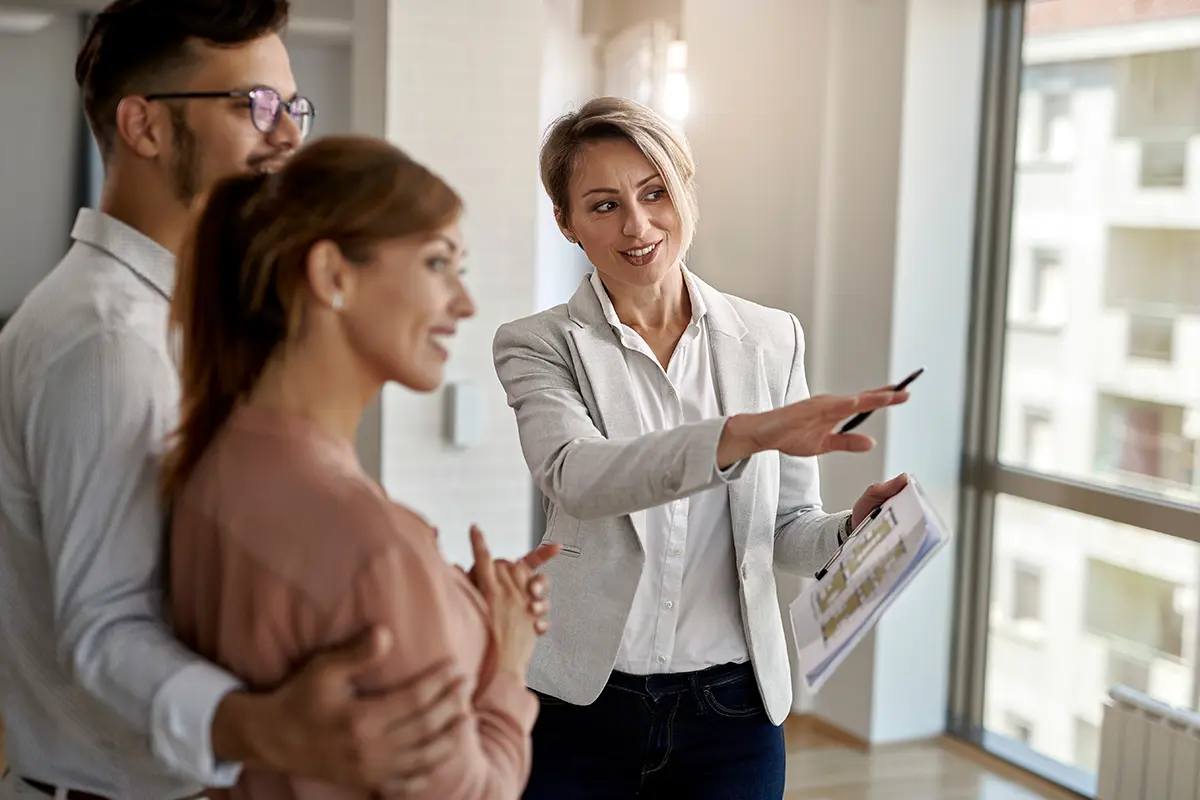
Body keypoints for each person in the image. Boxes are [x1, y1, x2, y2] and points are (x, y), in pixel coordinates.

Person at [0, 2, 504, 798]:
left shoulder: (198, 319)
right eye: (255, 105)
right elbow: (104, 628)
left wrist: (425, 596)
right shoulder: (109, 340)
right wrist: (264, 727)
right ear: (145, 126)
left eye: (293, 107)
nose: (288, 135)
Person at [492, 95, 913, 800]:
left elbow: (783, 533)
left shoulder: (773, 338)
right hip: (583, 704)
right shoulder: (539, 344)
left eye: (656, 191)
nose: (638, 224)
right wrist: (745, 433)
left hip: (732, 713)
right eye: (603, 205)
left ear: (686, 189)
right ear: (566, 223)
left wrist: (850, 534)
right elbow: (579, 477)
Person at [164, 134, 549, 800]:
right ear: (333, 276)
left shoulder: (215, 466)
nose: (465, 304)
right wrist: (508, 663)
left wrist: (453, 598)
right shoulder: (375, 548)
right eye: (438, 263)